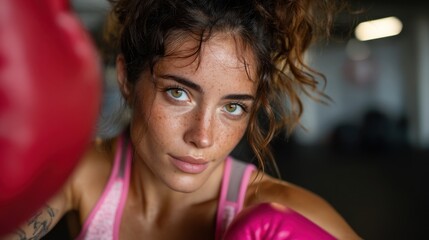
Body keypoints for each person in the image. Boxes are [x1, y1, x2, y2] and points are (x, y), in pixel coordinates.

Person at [2, 0, 362, 239]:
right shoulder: (81, 175)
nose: (203, 137)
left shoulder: (293, 212)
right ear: (127, 79)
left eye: (233, 107)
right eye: (179, 93)